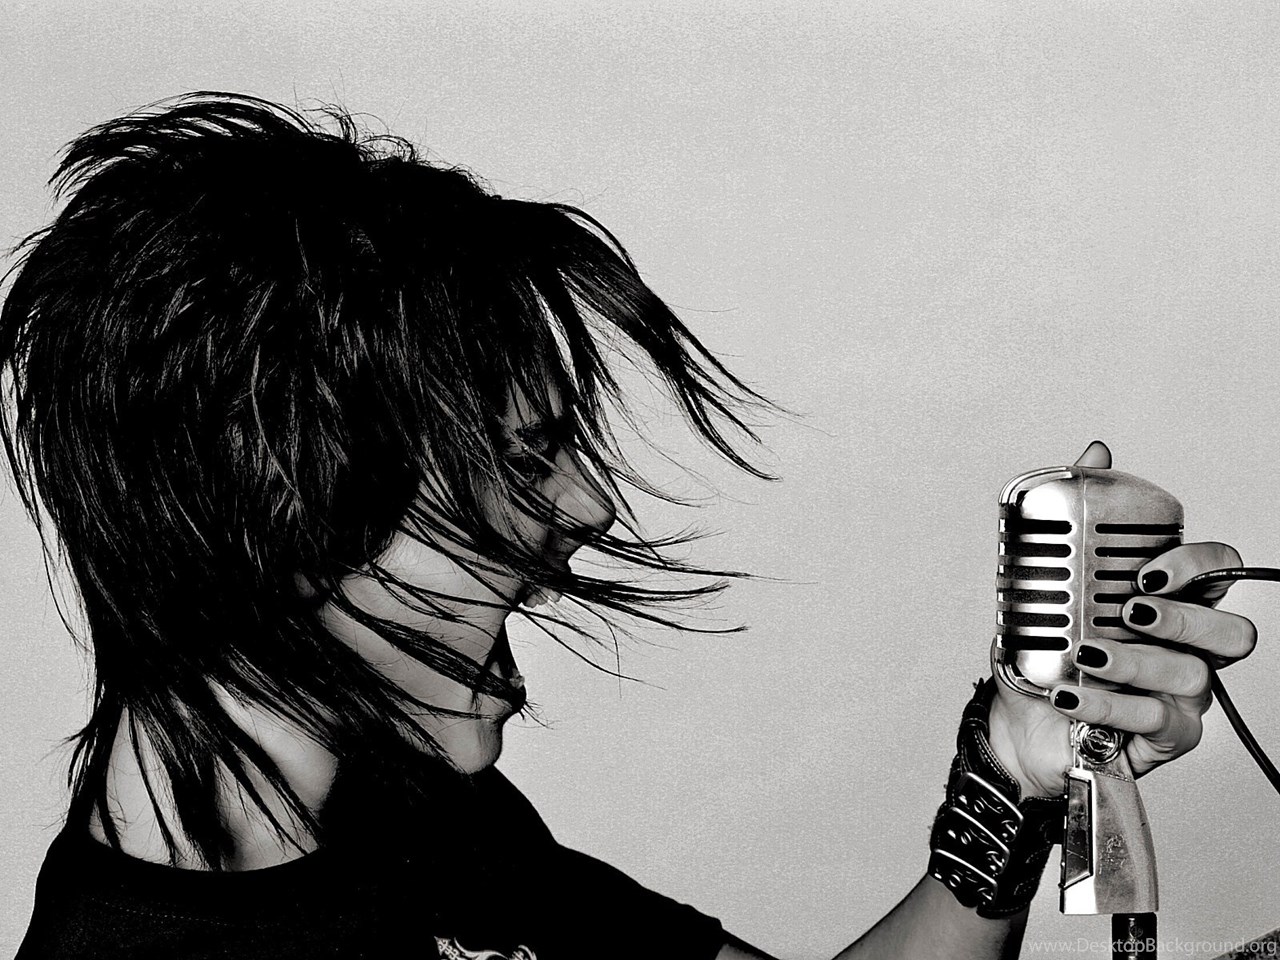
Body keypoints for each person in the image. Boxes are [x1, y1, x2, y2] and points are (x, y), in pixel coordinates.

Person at [3, 93, 1256, 960]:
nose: (589, 506)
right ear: (276, 506)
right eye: (523, 459)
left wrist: (1008, 779)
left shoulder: (410, 814)